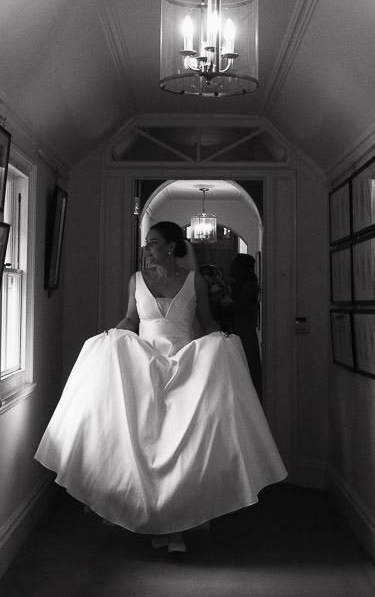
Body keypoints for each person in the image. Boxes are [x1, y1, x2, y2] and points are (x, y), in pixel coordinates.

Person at [35, 222, 285, 554]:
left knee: (181, 448)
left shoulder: (194, 280)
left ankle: (176, 528)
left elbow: (207, 320)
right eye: (146, 243)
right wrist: (111, 336)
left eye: (153, 243)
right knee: (147, 443)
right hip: (144, 366)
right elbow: (130, 319)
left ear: (171, 247)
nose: (146, 249)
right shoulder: (136, 281)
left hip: (184, 366)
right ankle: (154, 519)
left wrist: (218, 341)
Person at [215, 253, 261, 395]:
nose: (231, 270)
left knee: (247, 371)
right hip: (235, 333)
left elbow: (235, 307)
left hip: (244, 336)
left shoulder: (250, 288)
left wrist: (217, 303)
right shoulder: (235, 285)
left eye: (234, 267)